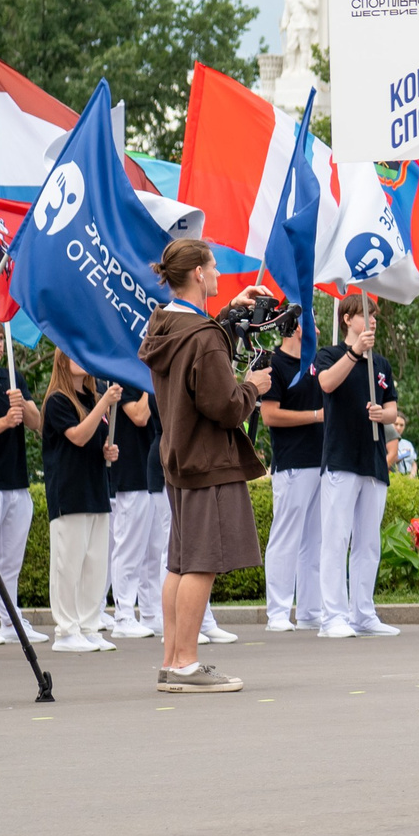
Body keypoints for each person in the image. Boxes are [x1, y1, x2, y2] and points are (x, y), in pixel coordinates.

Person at [137, 239, 276, 692]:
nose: (218, 275)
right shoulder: (203, 337)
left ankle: (174, 660)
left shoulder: (168, 324)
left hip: (178, 457)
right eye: (213, 267)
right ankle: (185, 665)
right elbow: (226, 405)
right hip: (209, 459)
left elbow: (198, 350)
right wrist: (253, 385)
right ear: (198, 272)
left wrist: (228, 315)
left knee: (179, 563)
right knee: (201, 563)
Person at [314, 294, 404, 640]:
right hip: (341, 458)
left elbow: (392, 407)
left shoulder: (380, 364)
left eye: (376, 316)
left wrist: (386, 415)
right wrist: (353, 353)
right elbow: (325, 384)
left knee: (368, 542)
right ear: (348, 318)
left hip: (374, 458)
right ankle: (332, 616)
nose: (373, 321)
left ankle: (363, 613)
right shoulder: (331, 354)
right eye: (367, 315)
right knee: (336, 538)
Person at [42, 353, 121, 653]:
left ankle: (88, 625)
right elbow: (76, 436)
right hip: (69, 492)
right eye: (74, 355)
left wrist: (107, 451)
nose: (83, 360)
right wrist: (104, 404)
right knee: (68, 564)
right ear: (62, 361)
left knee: (94, 564)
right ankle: (66, 630)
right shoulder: (58, 400)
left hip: (96, 489)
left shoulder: (91, 396)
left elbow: (94, 440)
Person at [0, 315, 42, 647]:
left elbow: (37, 423)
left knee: (10, 559)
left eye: (1, 338)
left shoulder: (13, 377)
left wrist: (21, 407)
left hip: (16, 480)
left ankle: (10, 620)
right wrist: (3, 421)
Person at [258, 323, 326, 633]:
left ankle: (311, 611)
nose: (317, 327)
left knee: (315, 540)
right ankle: (278, 613)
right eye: (311, 320)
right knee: (286, 538)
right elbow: (270, 415)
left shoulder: (316, 363)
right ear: (296, 327)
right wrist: (315, 416)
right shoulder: (274, 364)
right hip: (292, 464)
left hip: (321, 462)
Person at [105, 382, 170, 639]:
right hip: (131, 470)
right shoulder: (126, 376)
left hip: (151, 471)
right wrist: (148, 380)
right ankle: (123, 615)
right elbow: (140, 415)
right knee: (129, 548)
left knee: (154, 550)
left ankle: (151, 612)